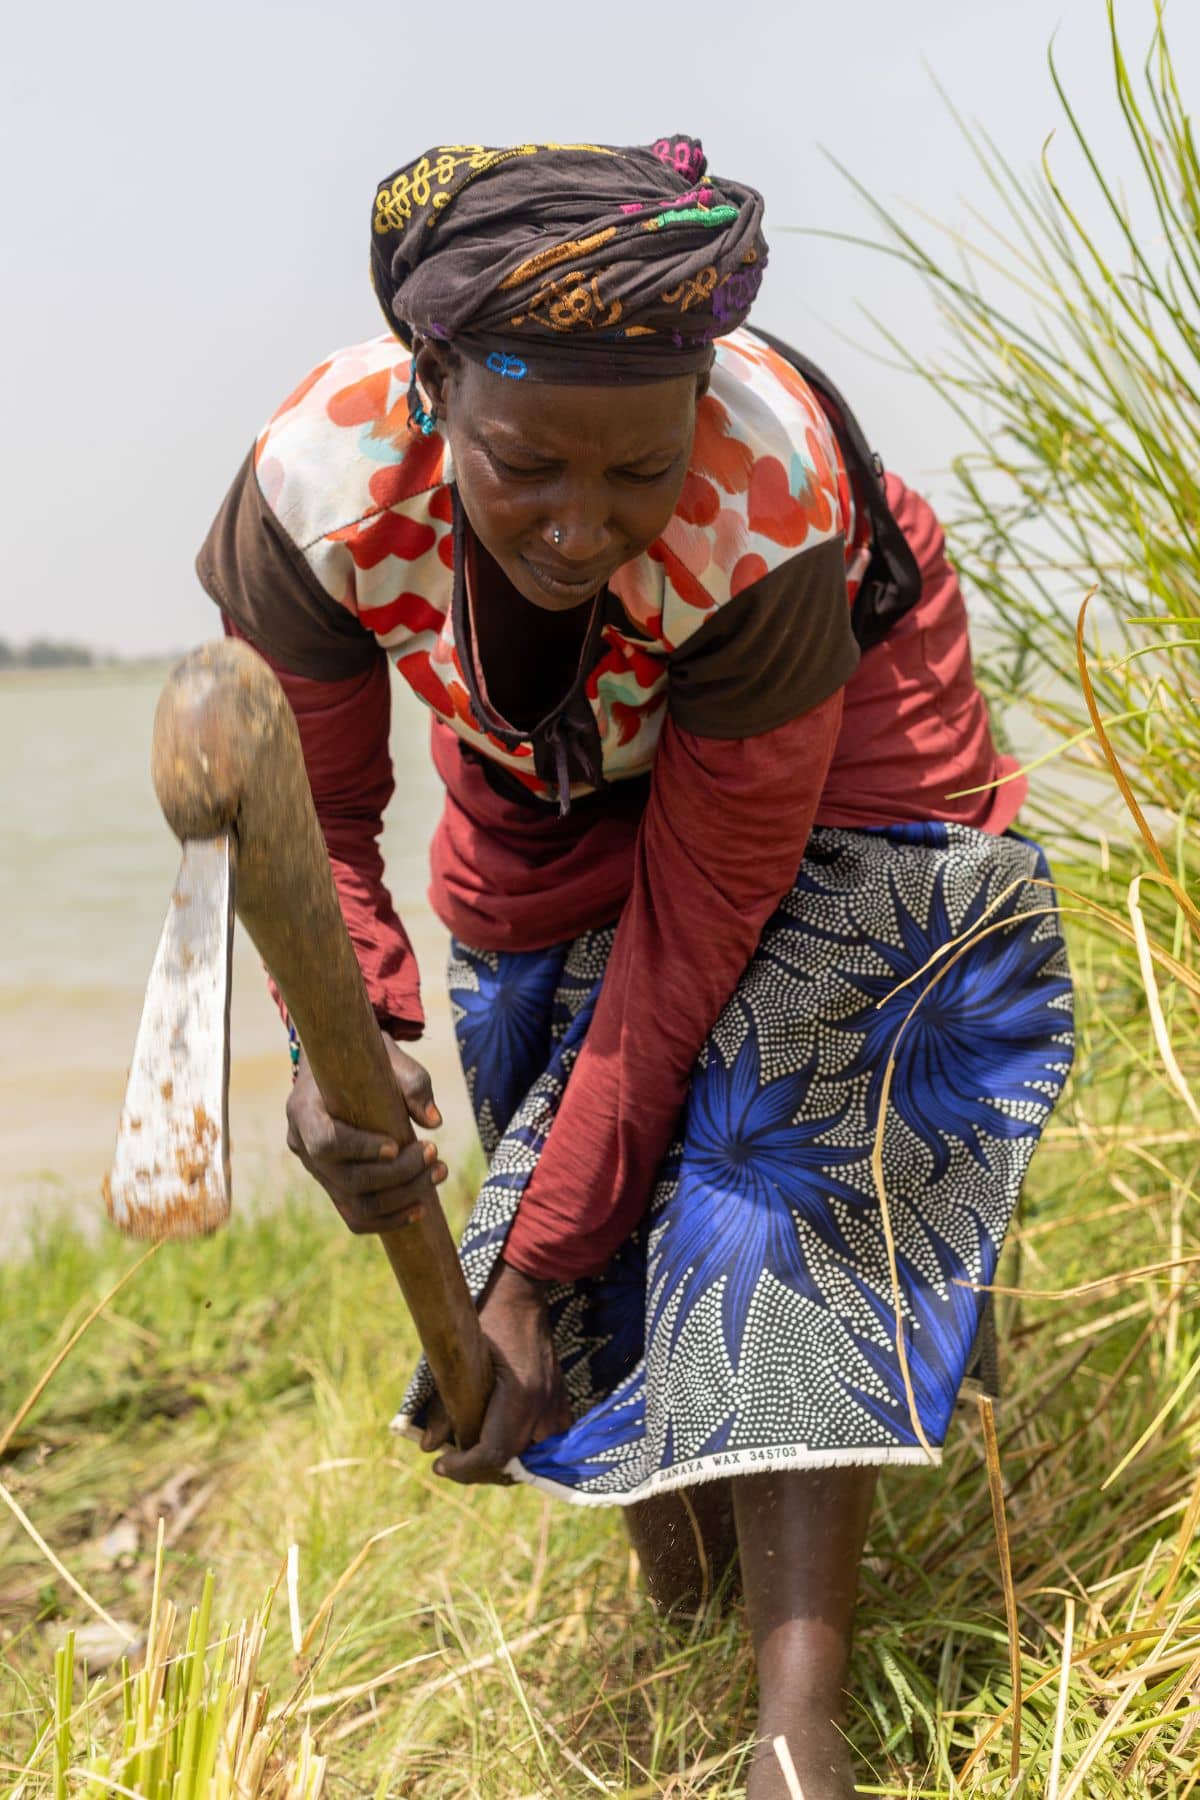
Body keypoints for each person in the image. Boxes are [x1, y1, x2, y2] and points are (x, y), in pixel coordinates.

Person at [197, 137, 1074, 1800]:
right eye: (527, 467)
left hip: (847, 735)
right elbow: (310, 807)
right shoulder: (319, 477)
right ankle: (681, 1591)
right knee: (526, 1039)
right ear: (434, 382)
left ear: (697, 420)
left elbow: (692, 950)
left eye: (634, 473)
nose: (582, 526)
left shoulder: (759, 498)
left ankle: (791, 1732)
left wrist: (524, 1266)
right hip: (541, 765)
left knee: (779, 1129)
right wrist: (351, 1029)